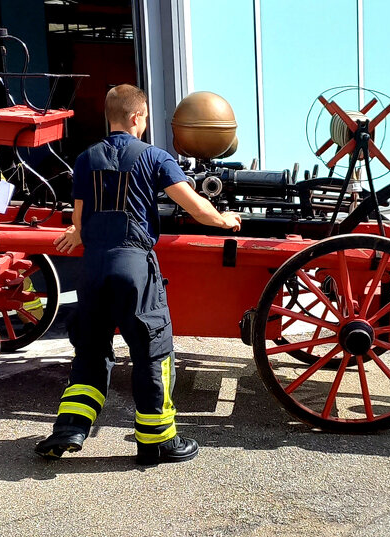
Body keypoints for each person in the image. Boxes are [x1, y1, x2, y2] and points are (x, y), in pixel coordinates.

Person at [34, 85, 242, 465]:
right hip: (133, 267)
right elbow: (195, 207)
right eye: (145, 118)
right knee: (153, 349)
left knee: (92, 351)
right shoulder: (154, 157)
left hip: (93, 269)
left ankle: (70, 428)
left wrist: (77, 232)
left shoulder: (85, 159)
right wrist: (223, 219)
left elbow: (79, 222)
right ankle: (156, 441)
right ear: (136, 117)